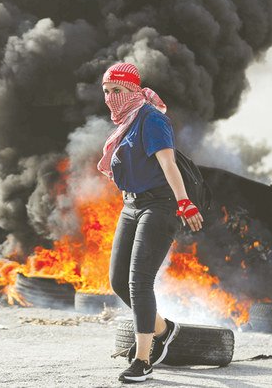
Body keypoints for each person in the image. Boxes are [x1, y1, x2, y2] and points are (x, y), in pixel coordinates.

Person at [97, 62, 204, 382]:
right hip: (131, 205)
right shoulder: (125, 122)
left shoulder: (151, 119)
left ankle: (143, 360)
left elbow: (168, 164)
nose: (111, 97)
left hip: (159, 205)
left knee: (139, 282)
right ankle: (164, 329)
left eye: (118, 90)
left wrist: (184, 203)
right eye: (106, 91)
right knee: (117, 281)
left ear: (133, 90)